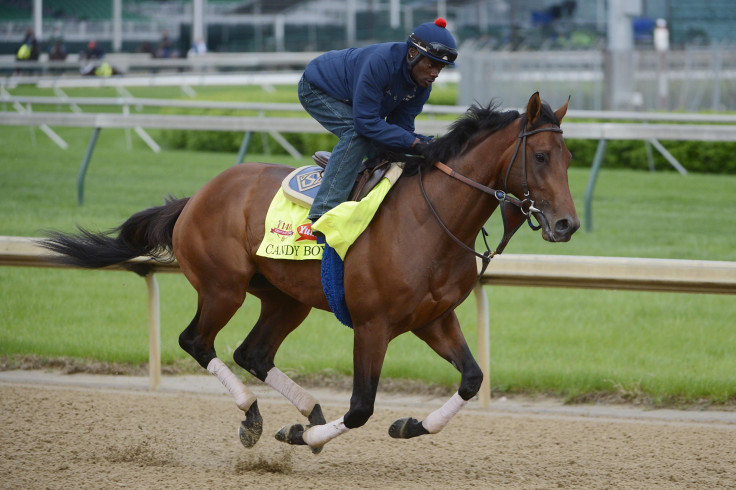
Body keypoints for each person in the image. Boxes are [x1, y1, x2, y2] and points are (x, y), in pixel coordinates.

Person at [298, 17, 457, 227]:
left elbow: (400, 130)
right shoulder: (380, 62)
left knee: (392, 150)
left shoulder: (422, 86)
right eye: (432, 65)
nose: (435, 74)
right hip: (318, 88)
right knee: (356, 134)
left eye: (441, 68)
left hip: (353, 100)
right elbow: (365, 122)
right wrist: (415, 143)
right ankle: (323, 214)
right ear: (413, 53)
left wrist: (422, 143)